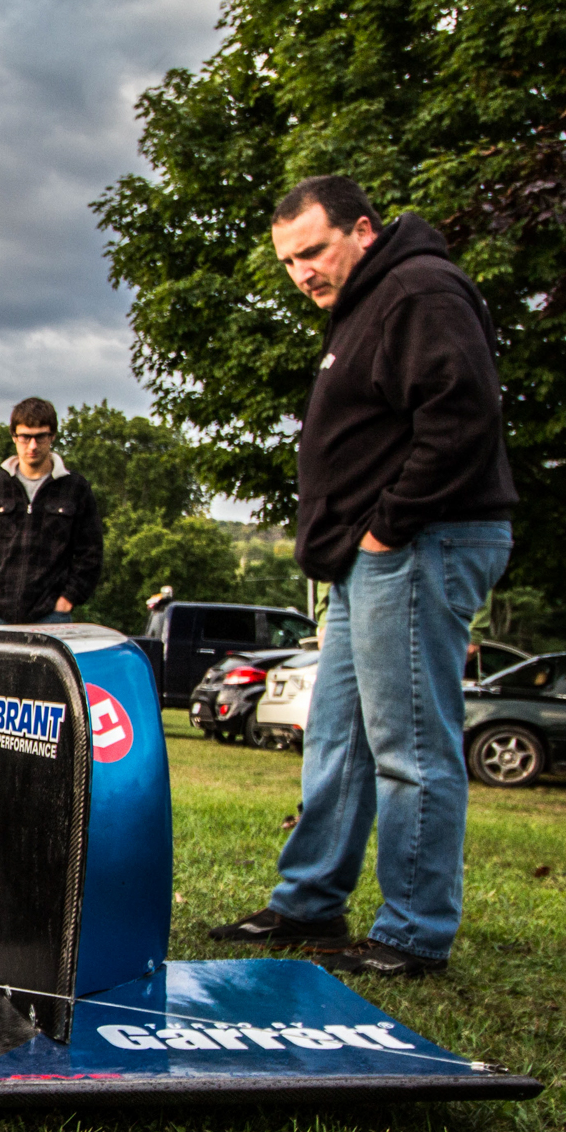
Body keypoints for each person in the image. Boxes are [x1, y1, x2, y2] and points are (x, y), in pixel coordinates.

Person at [209, 176, 516, 977]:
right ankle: (309, 902)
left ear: (364, 231)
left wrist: (387, 527)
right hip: (368, 558)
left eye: (312, 250)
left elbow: (462, 415)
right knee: (337, 739)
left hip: (419, 544)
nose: (301, 272)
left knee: (410, 745)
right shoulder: (365, 304)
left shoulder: (418, 289)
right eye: (287, 261)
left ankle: (414, 932)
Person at [0, 397, 102, 626]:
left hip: (51, 616)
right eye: (25, 437)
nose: (32, 446)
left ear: (52, 436)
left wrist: (67, 600)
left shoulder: (75, 488)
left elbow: (90, 554)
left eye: (40, 436)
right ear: (14, 436)